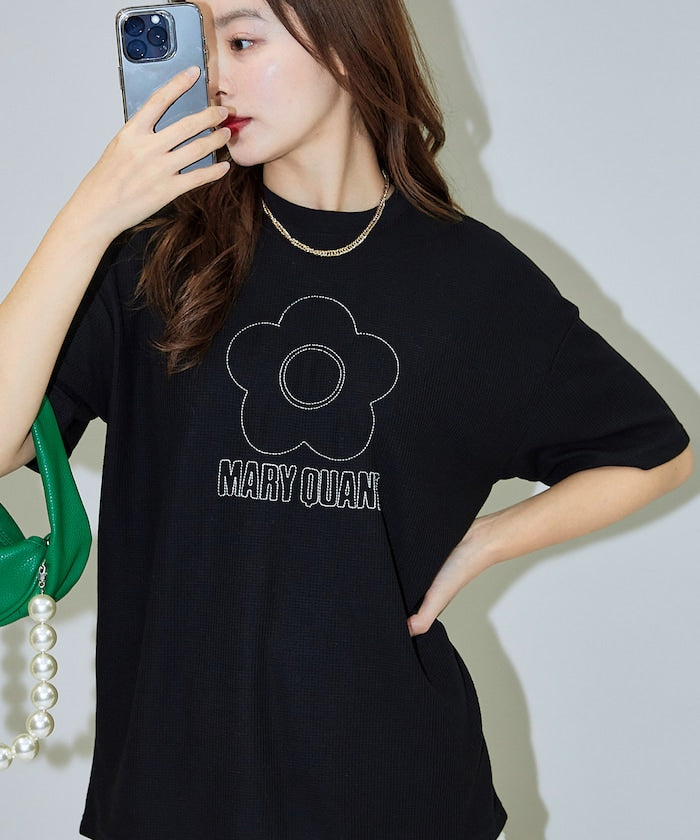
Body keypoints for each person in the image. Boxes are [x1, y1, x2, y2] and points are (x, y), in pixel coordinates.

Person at [0, 0, 692, 838]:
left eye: (242, 40)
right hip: (172, 795)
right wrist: (89, 216)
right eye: (202, 43)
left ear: (343, 40)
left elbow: (655, 450)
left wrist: (484, 543)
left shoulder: (475, 284)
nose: (211, 77)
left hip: (393, 790)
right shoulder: (155, 260)